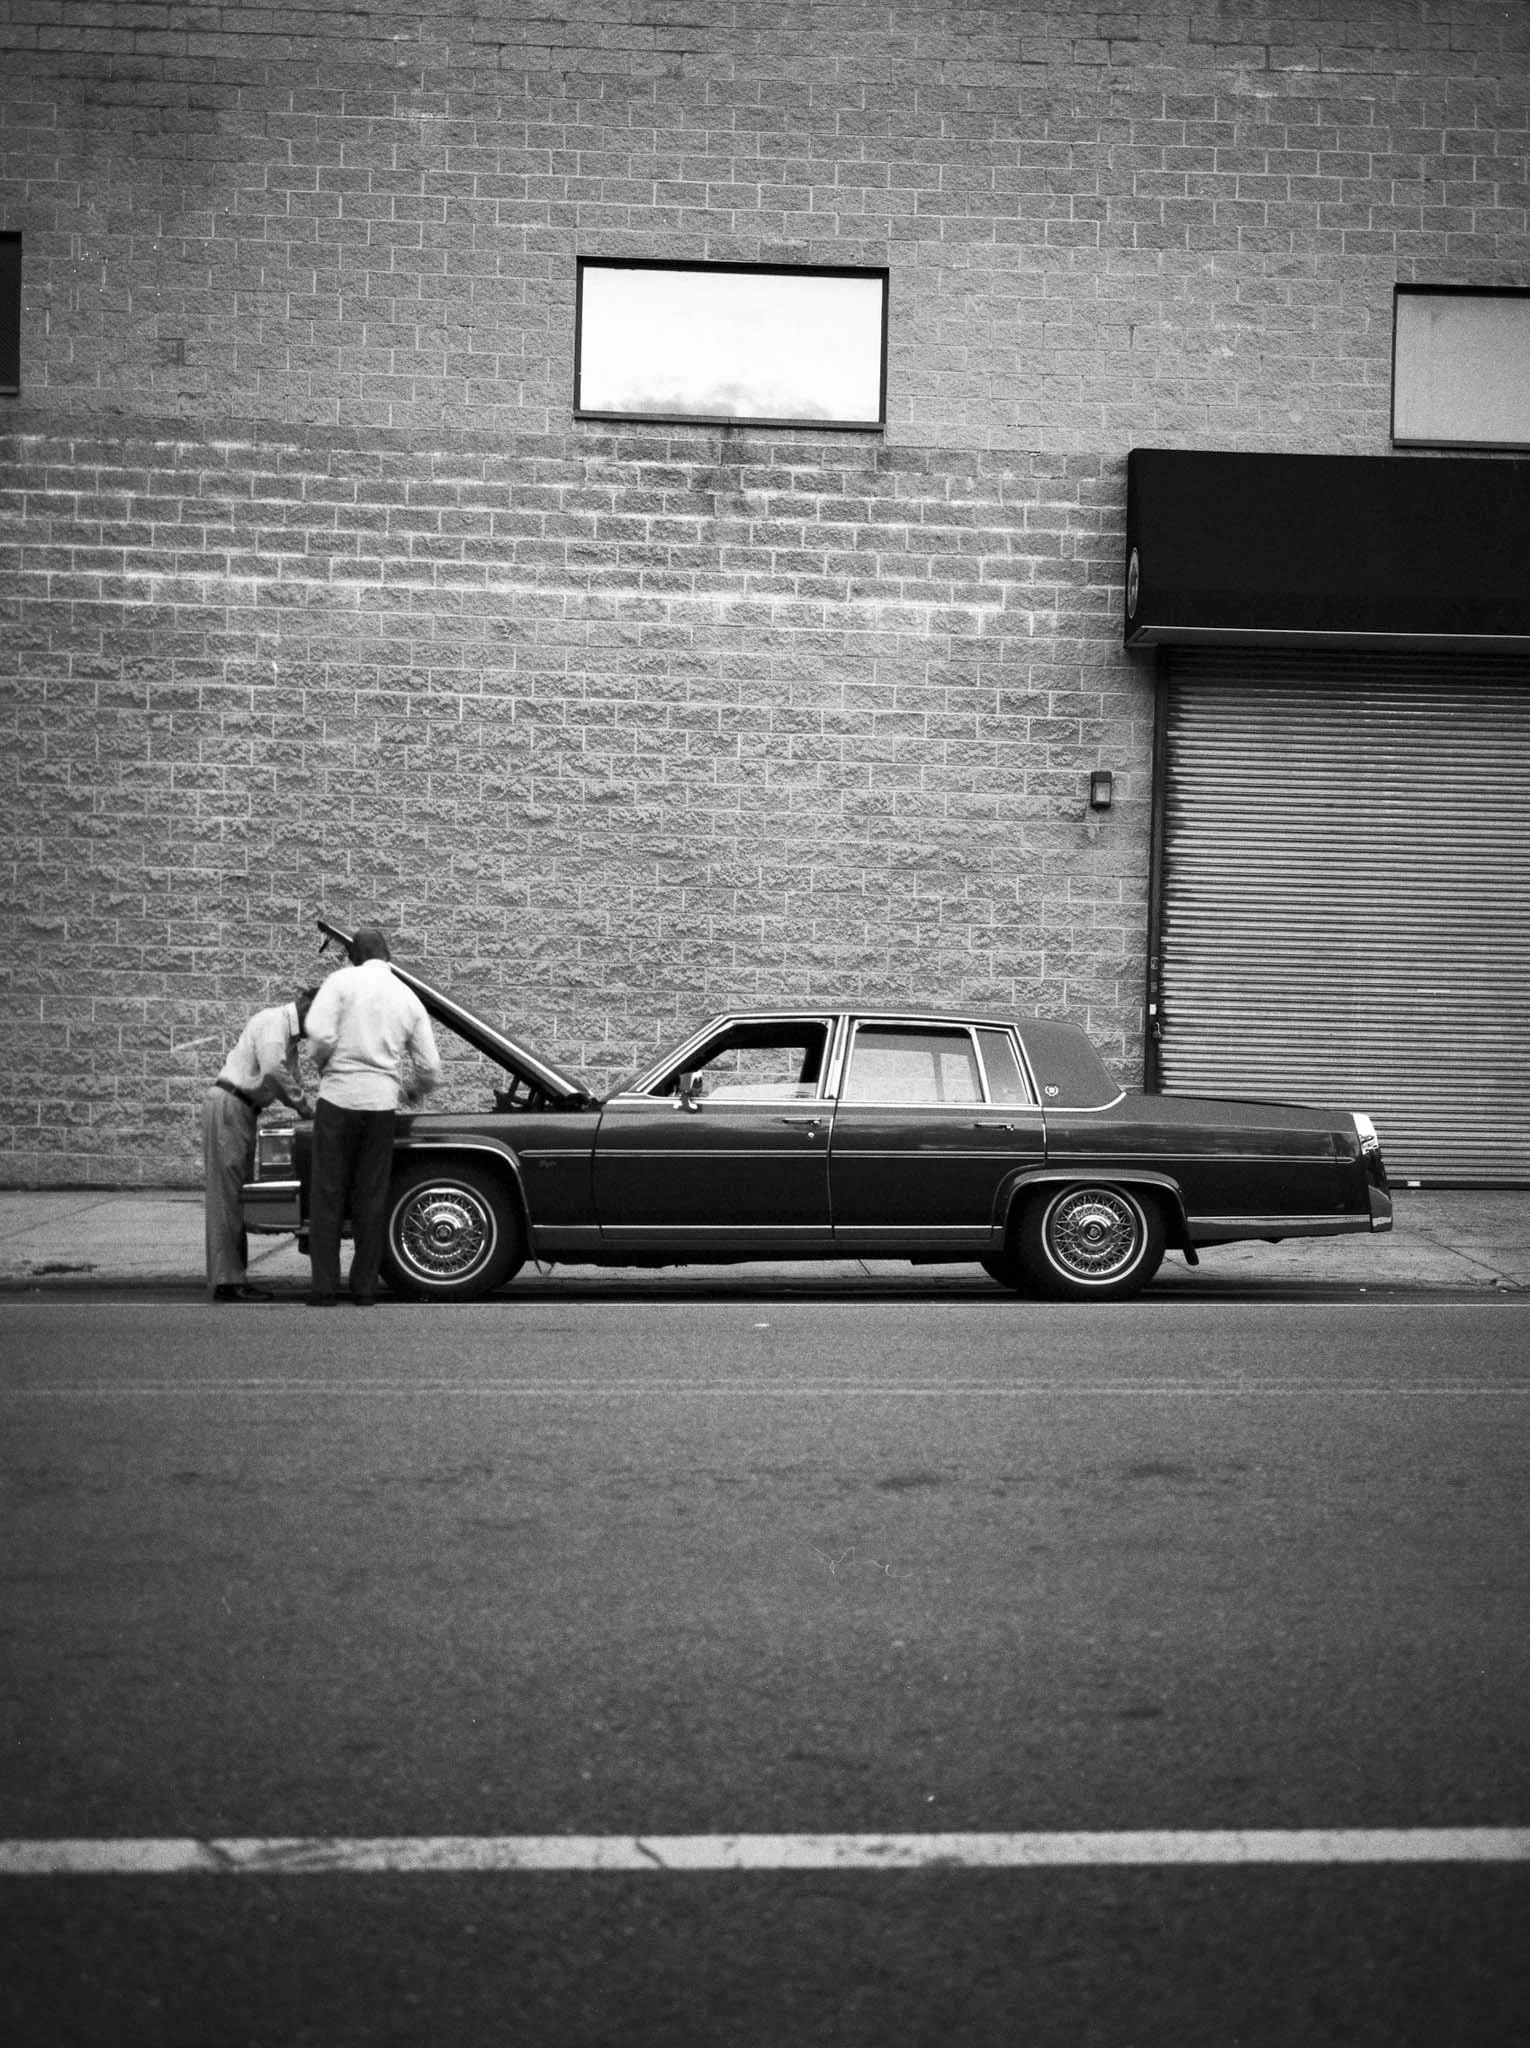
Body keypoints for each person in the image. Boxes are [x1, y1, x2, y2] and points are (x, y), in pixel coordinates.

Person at [302, 925, 442, 1307]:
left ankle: (324, 1288)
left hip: (337, 1098)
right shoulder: (407, 996)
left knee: (327, 1194)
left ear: (354, 956)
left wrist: (323, 1063)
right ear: (388, 955)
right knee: (372, 1195)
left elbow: (319, 1034)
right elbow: (430, 1067)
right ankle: (364, 1288)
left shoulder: (340, 981)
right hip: (381, 1104)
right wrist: (413, 1090)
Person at [203, 987, 319, 1302]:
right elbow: (273, 1071)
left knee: (234, 1195)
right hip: (231, 1104)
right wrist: (302, 1105)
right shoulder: (274, 1023)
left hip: (241, 1108)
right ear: (305, 1007)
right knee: (227, 1197)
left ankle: (232, 1277)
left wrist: (305, 1104)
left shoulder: (288, 1038)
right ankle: (228, 1281)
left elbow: (287, 1076)